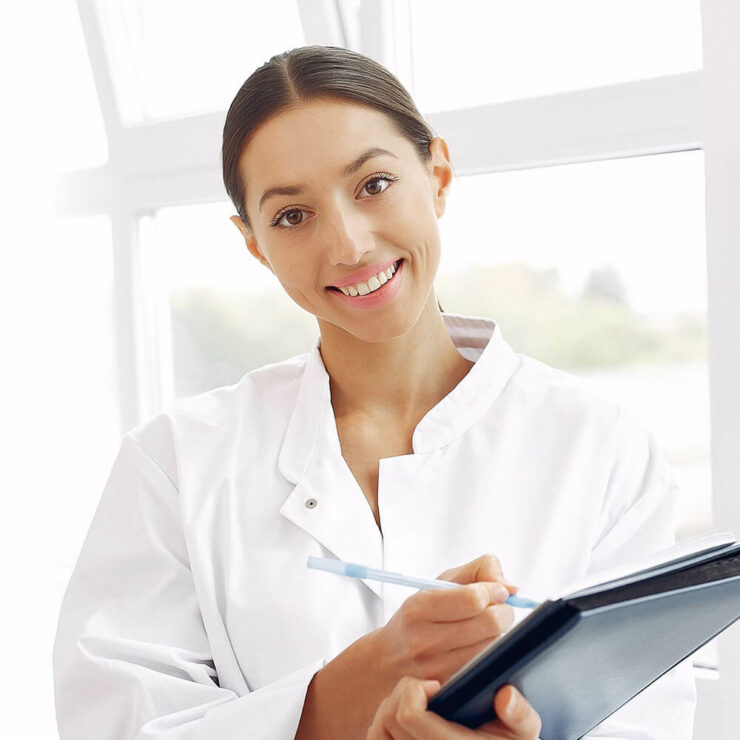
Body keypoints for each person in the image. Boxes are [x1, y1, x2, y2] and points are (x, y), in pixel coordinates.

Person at [53, 45, 697, 739]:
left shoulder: (600, 446)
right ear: (255, 244)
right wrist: (346, 693)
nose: (349, 245)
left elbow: (650, 719)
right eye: (292, 216)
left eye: (374, 184)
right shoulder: (176, 463)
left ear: (438, 175)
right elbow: (114, 726)